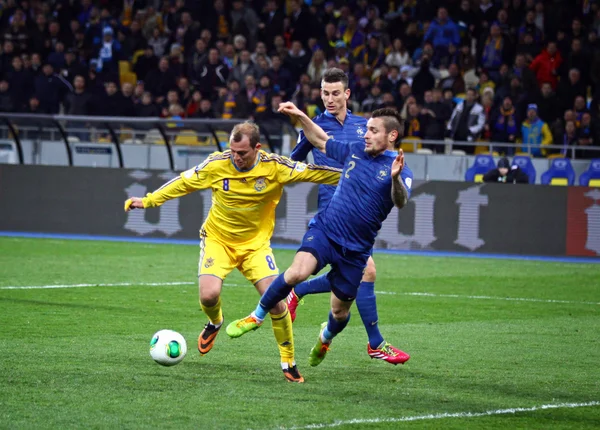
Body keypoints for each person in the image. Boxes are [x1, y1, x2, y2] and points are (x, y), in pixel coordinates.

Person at [124, 122, 342, 383]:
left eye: (242, 152)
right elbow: (183, 183)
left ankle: (288, 360)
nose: (236, 157)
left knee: (277, 302)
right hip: (219, 240)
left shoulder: (275, 167)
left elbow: (315, 173)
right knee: (208, 295)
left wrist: (358, 174)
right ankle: (215, 322)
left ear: (257, 148)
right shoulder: (217, 164)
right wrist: (148, 200)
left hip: (255, 246)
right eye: (233, 151)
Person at [226, 105, 413, 369]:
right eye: (367, 128)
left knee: (339, 313)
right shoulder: (355, 150)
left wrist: (394, 178)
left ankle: (325, 338)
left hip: (357, 250)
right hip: (326, 230)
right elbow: (321, 140)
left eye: (373, 130)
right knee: (296, 273)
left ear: (392, 136)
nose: (366, 134)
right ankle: (256, 316)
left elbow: (401, 201)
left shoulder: (401, 170)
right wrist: (300, 116)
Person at [278, 67, 409, 365]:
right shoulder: (314, 128)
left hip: (360, 214)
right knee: (367, 271)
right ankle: (376, 343)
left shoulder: (365, 128)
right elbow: (289, 165)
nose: (330, 99)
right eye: (325, 93)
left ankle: (303, 298)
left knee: (341, 305)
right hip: (332, 211)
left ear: (347, 94)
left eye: (336, 93)